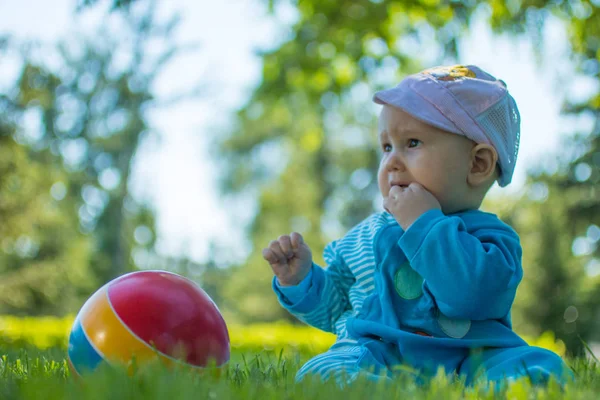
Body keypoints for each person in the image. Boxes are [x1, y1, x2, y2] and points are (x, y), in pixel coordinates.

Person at [261, 65, 573, 388]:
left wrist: (424, 224)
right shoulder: (365, 238)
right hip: (380, 354)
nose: (391, 162)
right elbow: (338, 307)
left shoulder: (493, 241)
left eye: (412, 143)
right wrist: (301, 280)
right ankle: (384, 390)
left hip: (472, 357)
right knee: (322, 371)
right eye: (386, 147)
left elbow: (470, 297)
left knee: (542, 366)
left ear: (478, 164)